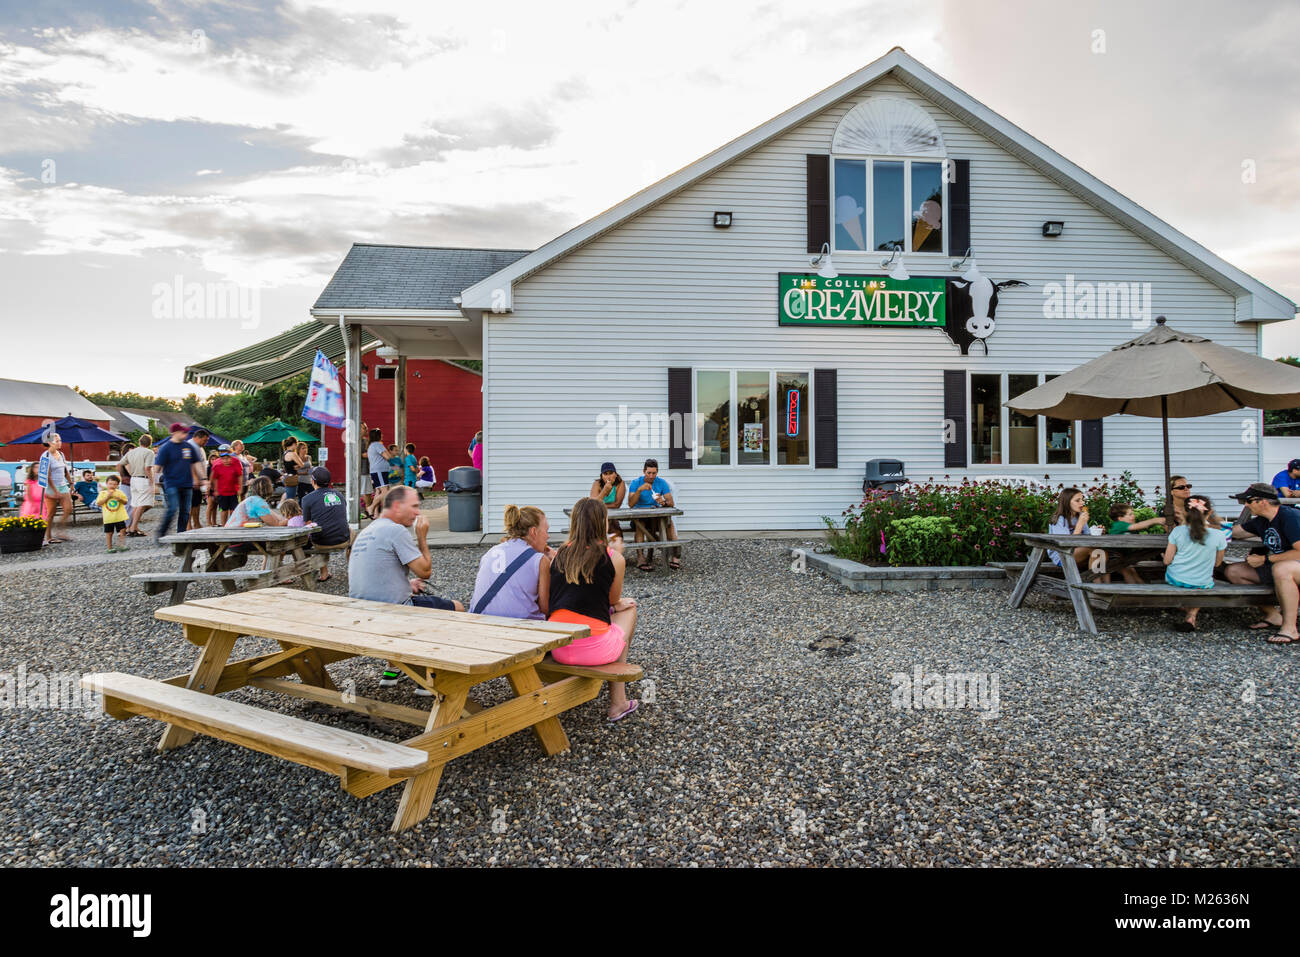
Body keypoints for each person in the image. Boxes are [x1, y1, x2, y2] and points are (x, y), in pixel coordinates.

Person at [349, 486, 464, 694]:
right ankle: (429, 677)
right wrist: (422, 536)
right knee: (458, 608)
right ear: (396, 506)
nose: (418, 512)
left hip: (361, 614)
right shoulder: (396, 530)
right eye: (414, 506)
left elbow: (374, 575)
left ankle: (392, 671)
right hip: (390, 614)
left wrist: (406, 584)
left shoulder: (368, 530)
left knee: (407, 602)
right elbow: (425, 570)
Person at [541, 497, 639, 722]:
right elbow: (612, 601)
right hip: (595, 651)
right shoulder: (614, 558)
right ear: (602, 523)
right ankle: (618, 701)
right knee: (629, 609)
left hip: (560, 649)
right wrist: (620, 603)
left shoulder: (559, 555)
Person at [1224, 482, 1300, 644]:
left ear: (1263, 501)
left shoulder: (1290, 517)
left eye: (1248, 501)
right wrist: (1202, 522)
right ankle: (1273, 615)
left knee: (1282, 569)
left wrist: (1264, 559)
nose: (1245, 505)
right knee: (1234, 571)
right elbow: (1235, 532)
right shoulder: (1262, 521)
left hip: (1292, 566)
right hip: (1283, 568)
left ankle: (1290, 629)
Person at [468, 505, 554, 619]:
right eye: (546, 531)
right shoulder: (540, 560)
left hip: (480, 621)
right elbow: (545, 609)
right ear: (534, 531)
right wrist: (553, 563)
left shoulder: (490, 552)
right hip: (520, 628)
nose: (548, 536)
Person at [1163, 496, 1224, 631]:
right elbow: (1218, 564)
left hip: (1176, 578)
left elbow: (1167, 560)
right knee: (1202, 583)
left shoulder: (1177, 531)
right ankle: (1191, 615)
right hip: (1202, 581)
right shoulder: (1219, 535)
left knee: (1189, 581)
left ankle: (1186, 609)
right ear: (1210, 512)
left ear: (1185, 512)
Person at [152, 423, 206, 541]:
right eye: (183, 432)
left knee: (185, 511)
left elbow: (196, 464)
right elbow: (157, 467)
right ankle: (161, 533)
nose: (186, 434)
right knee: (172, 509)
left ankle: (180, 535)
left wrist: (204, 478)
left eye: (187, 432)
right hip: (172, 483)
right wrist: (152, 483)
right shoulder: (166, 448)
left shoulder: (188, 447)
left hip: (187, 484)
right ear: (175, 432)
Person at [626, 458, 680, 570]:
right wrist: (639, 490)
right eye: (648, 473)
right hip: (639, 517)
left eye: (654, 473)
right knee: (640, 525)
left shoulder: (661, 483)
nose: (651, 476)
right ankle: (640, 558)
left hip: (655, 516)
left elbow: (671, 502)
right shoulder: (636, 483)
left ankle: (676, 555)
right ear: (643, 471)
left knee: (668, 523)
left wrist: (663, 502)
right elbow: (631, 504)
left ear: (657, 472)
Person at [301, 466, 350, 582]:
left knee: (316, 531)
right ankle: (352, 570)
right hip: (344, 540)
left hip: (321, 542)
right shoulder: (339, 494)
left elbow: (308, 523)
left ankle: (321, 572)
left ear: (312, 481)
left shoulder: (307, 499)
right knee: (352, 534)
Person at [1099, 503, 1167, 583]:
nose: (1133, 516)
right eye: (1130, 514)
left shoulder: (1127, 527)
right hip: (1112, 556)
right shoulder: (1119, 525)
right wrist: (1154, 520)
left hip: (1123, 557)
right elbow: (1138, 525)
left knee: (1133, 573)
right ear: (1120, 518)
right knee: (1128, 572)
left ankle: (1142, 591)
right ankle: (1138, 591)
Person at [1046, 487, 1104, 572]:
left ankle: (1101, 583)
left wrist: (1097, 531)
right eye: (1078, 500)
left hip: (1078, 551)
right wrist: (1080, 524)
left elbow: (1087, 537)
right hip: (1062, 555)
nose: (1082, 503)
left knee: (1103, 553)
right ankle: (1094, 583)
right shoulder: (1059, 519)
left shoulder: (1079, 516)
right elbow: (1066, 544)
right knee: (1096, 552)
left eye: (1082, 499)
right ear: (1067, 502)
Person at [38, 432, 75, 545]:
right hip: (50, 487)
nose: (60, 442)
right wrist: (55, 491)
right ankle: (48, 537)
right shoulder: (45, 456)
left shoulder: (61, 454)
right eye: (57, 441)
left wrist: (71, 483)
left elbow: (65, 470)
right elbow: (47, 476)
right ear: (50, 443)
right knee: (51, 513)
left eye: (60, 440)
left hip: (62, 484)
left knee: (68, 509)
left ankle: (59, 530)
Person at [123, 433, 157, 537]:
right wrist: (151, 482)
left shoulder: (132, 452)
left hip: (134, 479)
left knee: (136, 505)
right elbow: (148, 468)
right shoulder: (149, 452)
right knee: (144, 504)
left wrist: (131, 473)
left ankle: (131, 526)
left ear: (139, 442)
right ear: (150, 443)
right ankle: (133, 528)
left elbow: (123, 463)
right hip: (143, 479)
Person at [208, 445, 245, 526]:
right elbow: (214, 477)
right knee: (223, 510)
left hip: (233, 490)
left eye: (225, 452)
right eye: (221, 452)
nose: (223, 454)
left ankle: (232, 524)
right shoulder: (217, 463)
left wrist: (240, 488)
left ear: (230, 452)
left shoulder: (236, 461)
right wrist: (215, 489)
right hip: (222, 491)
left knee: (233, 510)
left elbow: (240, 475)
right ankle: (224, 526)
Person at [590, 462, 627, 539]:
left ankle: (615, 548)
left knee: (615, 529)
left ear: (616, 474)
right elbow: (592, 504)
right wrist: (604, 491)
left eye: (611, 473)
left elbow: (617, 505)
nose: (608, 477)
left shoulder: (620, 484)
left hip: (613, 516)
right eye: (605, 474)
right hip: (598, 515)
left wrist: (600, 504)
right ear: (601, 476)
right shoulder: (597, 484)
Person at [96, 475, 130, 553]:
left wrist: (120, 499)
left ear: (118, 485)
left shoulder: (120, 492)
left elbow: (125, 502)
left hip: (119, 516)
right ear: (106, 484)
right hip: (109, 517)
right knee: (109, 532)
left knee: (122, 530)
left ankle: (121, 545)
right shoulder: (102, 493)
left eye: (115, 484)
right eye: (110, 484)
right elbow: (99, 503)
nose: (112, 486)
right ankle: (109, 547)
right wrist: (107, 497)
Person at [187, 429, 211, 528]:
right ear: (197, 437)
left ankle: (196, 523)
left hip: (198, 480)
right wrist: (196, 478)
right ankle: (188, 526)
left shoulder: (198, 447)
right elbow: (189, 464)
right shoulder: (189, 446)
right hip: (190, 480)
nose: (205, 443)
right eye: (204, 440)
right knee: (189, 504)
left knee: (196, 503)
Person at [365, 429, 390, 519]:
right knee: (385, 492)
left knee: (378, 491)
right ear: (378, 436)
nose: (382, 435)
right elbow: (387, 456)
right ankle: (371, 507)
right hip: (380, 471)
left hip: (376, 471)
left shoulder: (371, 445)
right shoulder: (377, 445)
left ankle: (375, 514)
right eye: (381, 434)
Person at [281, 437, 306, 502]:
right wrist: (298, 466)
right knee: (291, 499)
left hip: (286, 477)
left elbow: (288, 465)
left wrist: (295, 466)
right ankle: (289, 511)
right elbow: (302, 465)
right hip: (292, 478)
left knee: (289, 497)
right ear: (294, 444)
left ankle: (286, 509)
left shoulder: (285, 453)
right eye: (297, 444)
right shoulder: (292, 454)